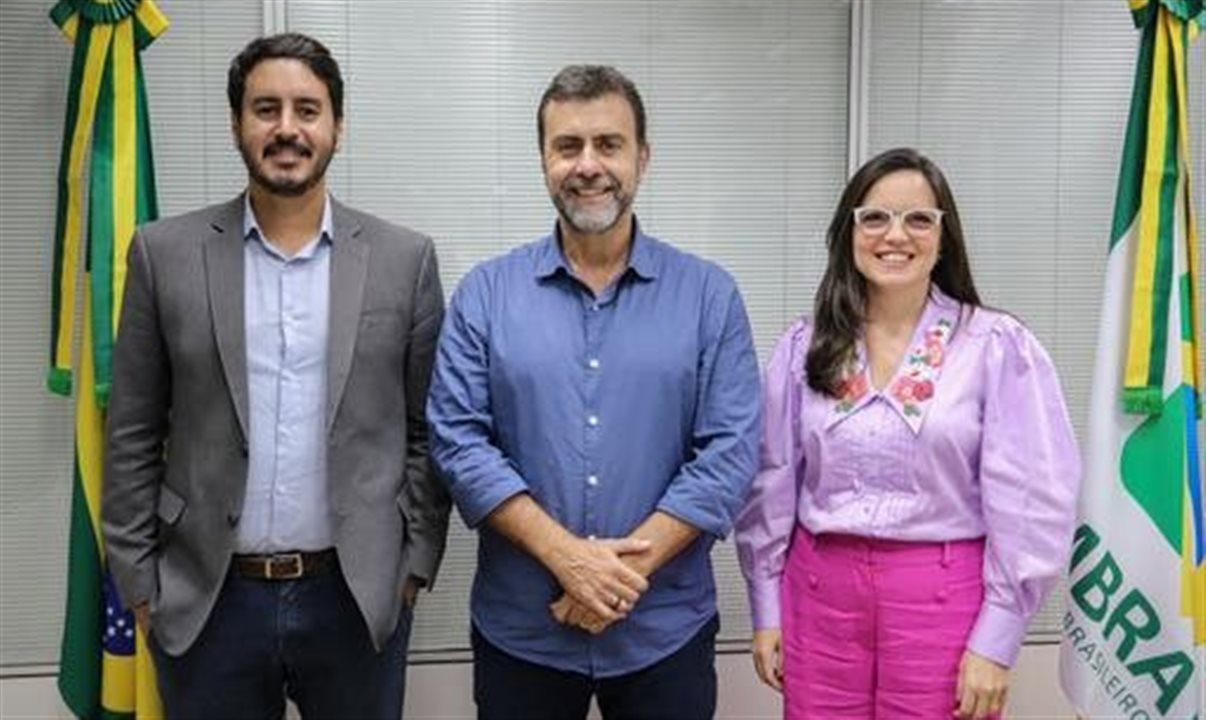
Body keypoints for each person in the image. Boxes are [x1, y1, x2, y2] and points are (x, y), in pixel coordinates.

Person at [102, 33, 450, 719]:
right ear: (237, 124)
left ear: (337, 128)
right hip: (205, 598)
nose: (287, 128)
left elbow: (427, 429)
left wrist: (412, 566)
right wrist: (140, 582)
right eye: (266, 108)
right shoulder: (162, 254)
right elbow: (132, 433)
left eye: (307, 109)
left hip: (355, 597)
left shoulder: (403, 260)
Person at [427, 64, 760, 720]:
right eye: (567, 146)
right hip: (523, 632)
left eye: (608, 144)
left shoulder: (709, 296)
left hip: (664, 633)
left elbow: (729, 454)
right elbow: (459, 441)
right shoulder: (486, 296)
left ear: (643, 156)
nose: (588, 165)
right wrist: (566, 558)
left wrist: (609, 578)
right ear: (544, 159)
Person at [734, 147, 1081, 720]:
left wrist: (998, 637)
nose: (895, 235)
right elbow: (770, 482)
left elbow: (1033, 496)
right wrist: (766, 606)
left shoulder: (995, 346)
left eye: (918, 219)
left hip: (943, 605)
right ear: (849, 231)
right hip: (818, 599)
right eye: (875, 217)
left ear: (944, 237)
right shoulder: (805, 346)